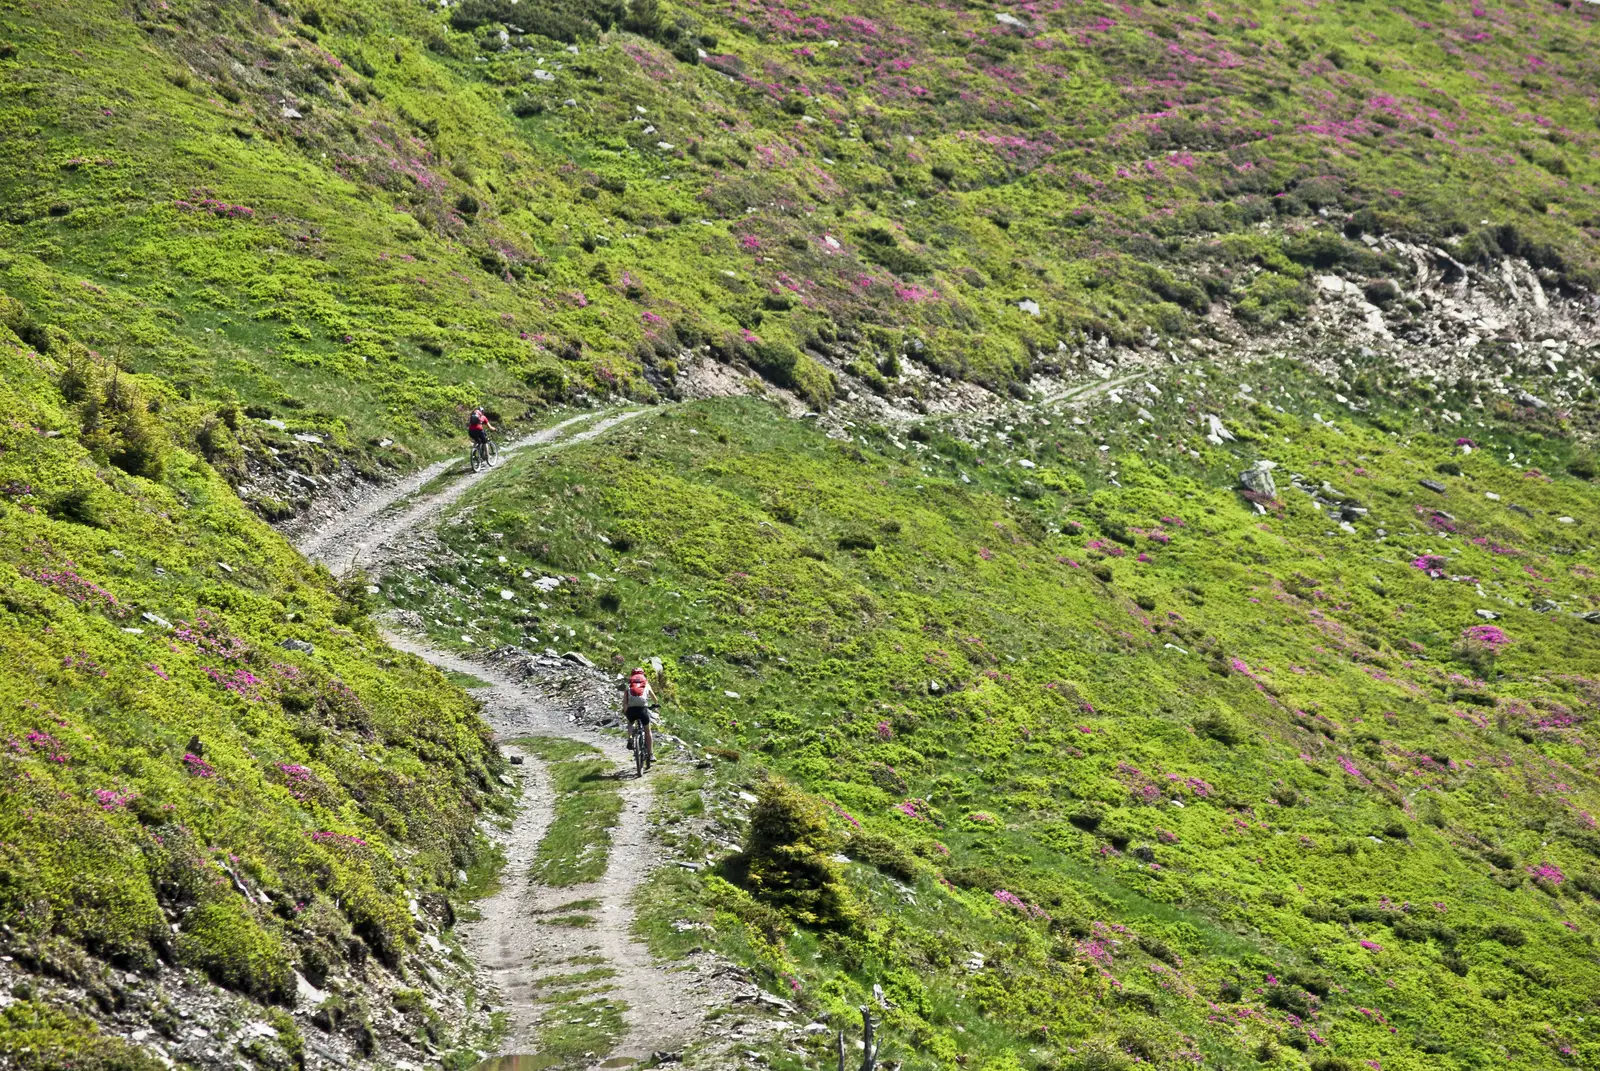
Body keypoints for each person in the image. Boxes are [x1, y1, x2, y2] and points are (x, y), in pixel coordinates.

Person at [622, 667, 655, 766]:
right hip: (642, 710)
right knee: (647, 730)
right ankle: (651, 754)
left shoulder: (629, 686)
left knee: (630, 722)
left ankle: (630, 738)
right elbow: (654, 698)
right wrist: (656, 704)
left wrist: (626, 711)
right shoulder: (646, 684)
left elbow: (624, 702)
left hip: (632, 710)